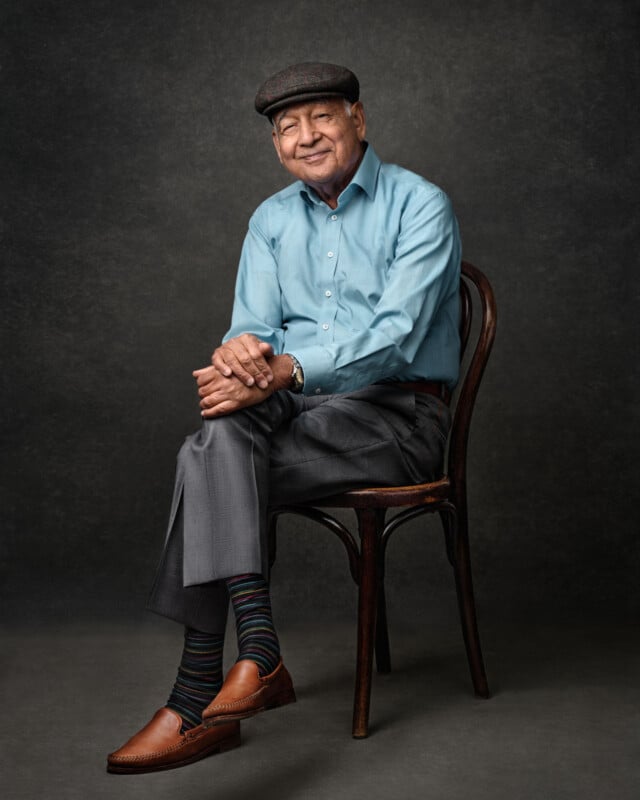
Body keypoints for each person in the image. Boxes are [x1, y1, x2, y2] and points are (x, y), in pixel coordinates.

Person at [107, 62, 461, 774]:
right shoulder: (270, 219)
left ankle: (197, 693)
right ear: (275, 144)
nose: (306, 137)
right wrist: (240, 356)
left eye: (322, 117)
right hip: (298, 412)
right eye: (287, 127)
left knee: (205, 458)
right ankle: (256, 657)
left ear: (358, 119)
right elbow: (253, 329)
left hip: (397, 417)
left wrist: (287, 369)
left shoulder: (420, 204)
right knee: (222, 431)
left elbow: (396, 336)